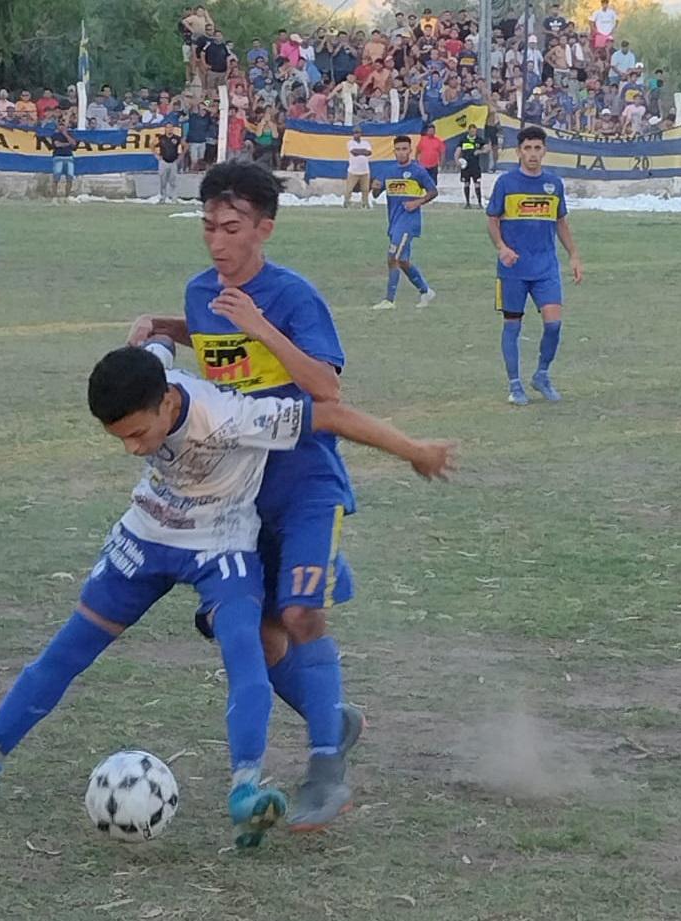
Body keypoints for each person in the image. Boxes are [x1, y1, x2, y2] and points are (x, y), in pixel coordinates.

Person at [0, 343, 456, 846]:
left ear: (169, 401)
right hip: (147, 536)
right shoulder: (151, 375)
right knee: (66, 652)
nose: (132, 449)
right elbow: (153, 342)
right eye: (119, 439)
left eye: (139, 435)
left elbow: (330, 414)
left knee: (246, 653)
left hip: (222, 545)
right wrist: (154, 328)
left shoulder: (233, 417)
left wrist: (414, 449)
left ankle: (246, 790)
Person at [126, 163, 371, 830]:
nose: (216, 242)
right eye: (207, 227)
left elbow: (327, 388)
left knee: (297, 614)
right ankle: (332, 718)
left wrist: (263, 327)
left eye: (231, 229)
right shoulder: (203, 291)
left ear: (264, 227)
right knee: (251, 637)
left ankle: (326, 764)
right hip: (236, 493)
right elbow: (211, 336)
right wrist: (167, 326)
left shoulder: (293, 297)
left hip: (306, 485)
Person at [486, 125, 583, 406]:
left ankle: (541, 374)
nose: (532, 154)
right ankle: (515, 385)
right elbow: (492, 219)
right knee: (512, 326)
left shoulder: (554, 184)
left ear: (544, 151)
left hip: (545, 268)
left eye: (537, 148)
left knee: (554, 325)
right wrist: (502, 247)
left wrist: (574, 255)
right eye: (527, 148)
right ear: (518, 152)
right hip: (512, 270)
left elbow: (560, 221)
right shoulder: (506, 183)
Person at [370, 134, 438, 311]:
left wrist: (417, 202)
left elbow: (433, 191)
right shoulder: (388, 171)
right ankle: (425, 291)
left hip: (409, 222)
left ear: (410, 150)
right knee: (403, 261)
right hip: (394, 221)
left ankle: (389, 300)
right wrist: (375, 188)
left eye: (404, 149)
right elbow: (376, 194)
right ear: (394, 151)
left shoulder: (417, 171)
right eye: (398, 149)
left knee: (393, 257)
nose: (401, 153)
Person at [455, 124, 487, 209]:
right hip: (465, 166)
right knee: (466, 183)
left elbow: (487, 149)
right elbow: (458, 151)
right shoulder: (463, 140)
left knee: (477, 184)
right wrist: (457, 160)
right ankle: (467, 203)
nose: (473, 132)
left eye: (475, 131)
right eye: (472, 131)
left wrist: (479, 151)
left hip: (475, 166)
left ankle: (480, 203)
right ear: (468, 131)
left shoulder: (479, 140)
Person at [50, 112, 78, 199]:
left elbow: (73, 144)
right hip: (58, 157)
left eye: (63, 124)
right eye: (60, 124)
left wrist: (65, 135)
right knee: (56, 177)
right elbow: (57, 144)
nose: (62, 126)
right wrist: (67, 144)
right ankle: (54, 197)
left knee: (70, 178)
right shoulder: (55, 135)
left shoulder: (70, 134)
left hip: (69, 157)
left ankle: (67, 197)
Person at [343, 125, 372, 209]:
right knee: (349, 189)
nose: (356, 135)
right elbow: (353, 152)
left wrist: (359, 152)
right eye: (355, 133)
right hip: (353, 170)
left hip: (365, 170)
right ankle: (346, 202)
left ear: (361, 134)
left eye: (358, 133)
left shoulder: (366, 143)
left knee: (365, 189)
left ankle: (365, 203)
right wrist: (363, 151)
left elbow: (369, 153)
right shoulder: (350, 143)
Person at [156, 122, 185, 202]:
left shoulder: (177, 138)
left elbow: (185, 145)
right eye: (168, 127)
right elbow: (152, 145)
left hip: (173, 162)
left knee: (173, 181)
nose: (170, 129)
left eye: (171, 127)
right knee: (163, 181)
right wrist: (156, 155)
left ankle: (174, 198)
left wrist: (181, 155)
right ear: (165, 128)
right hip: (163, 161)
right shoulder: (161, 138)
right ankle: (162, 197)